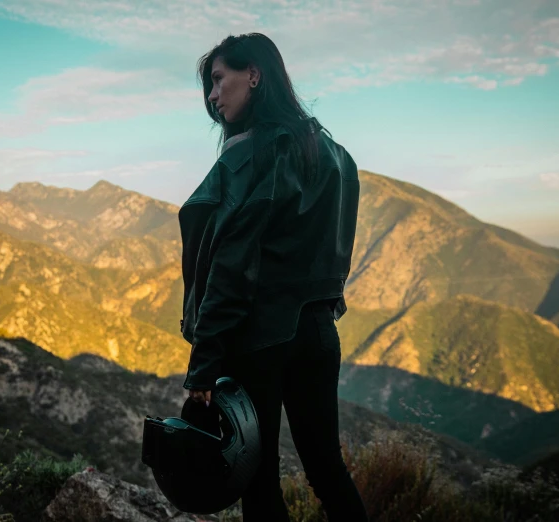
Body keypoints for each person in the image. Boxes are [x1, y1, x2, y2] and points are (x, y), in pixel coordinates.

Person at [178, 33, 369, 522]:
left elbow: (230, 270)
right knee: (327, 470)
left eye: (219, 80)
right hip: (318, 334)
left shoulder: (246, 158)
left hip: (260, 340)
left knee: (257, 483)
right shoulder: (332, 152)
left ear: (254, 75)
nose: (212, 96)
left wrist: (203, 367)